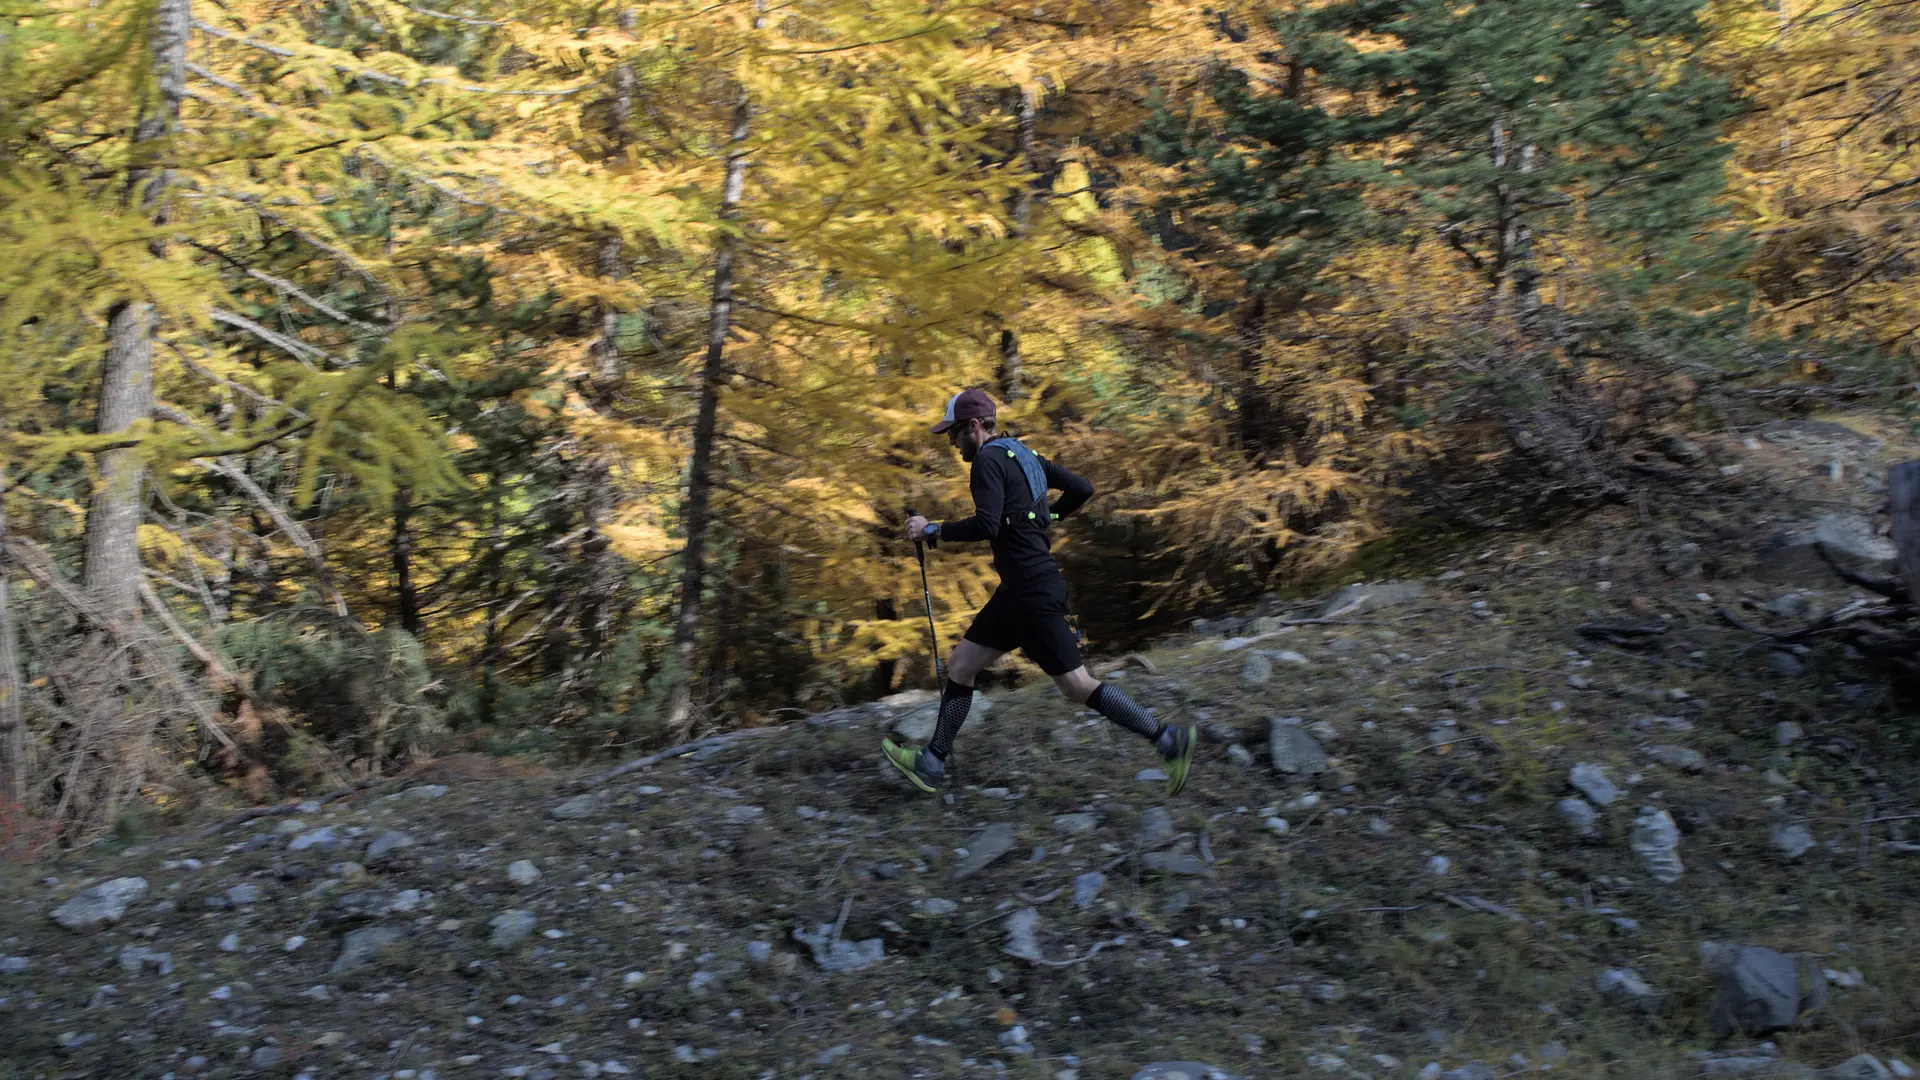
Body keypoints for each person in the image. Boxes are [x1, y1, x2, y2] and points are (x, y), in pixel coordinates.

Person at [882, 388, 1199, 795]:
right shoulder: (1024, 454)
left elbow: (988, 525)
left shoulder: (985, 462)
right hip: (1019, 592)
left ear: (974, 427)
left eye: (954, 433)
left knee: (1077, 686)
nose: (951, 442)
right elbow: (1081, 488)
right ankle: (932, 762)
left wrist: (933, 530)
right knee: (962, 665)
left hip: (1031, 594)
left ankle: (1169, 741)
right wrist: (1043, 517)